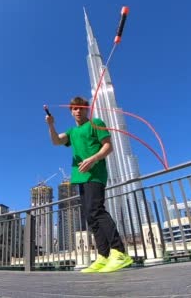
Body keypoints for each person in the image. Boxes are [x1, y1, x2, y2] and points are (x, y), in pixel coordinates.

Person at [45, 96, 132, 273]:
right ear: (71, 112)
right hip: (80, 178)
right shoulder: (71, 132)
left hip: (95, 174)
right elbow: (56, 141)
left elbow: (108, 146)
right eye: (74, 109)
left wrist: (93, 159)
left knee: (96, 210)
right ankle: (104, 255)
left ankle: (120, 252)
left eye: (81, 108)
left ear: (86, 110)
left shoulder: (96, 123)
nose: (78, 111)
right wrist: (51, 125)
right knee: (90, 216)